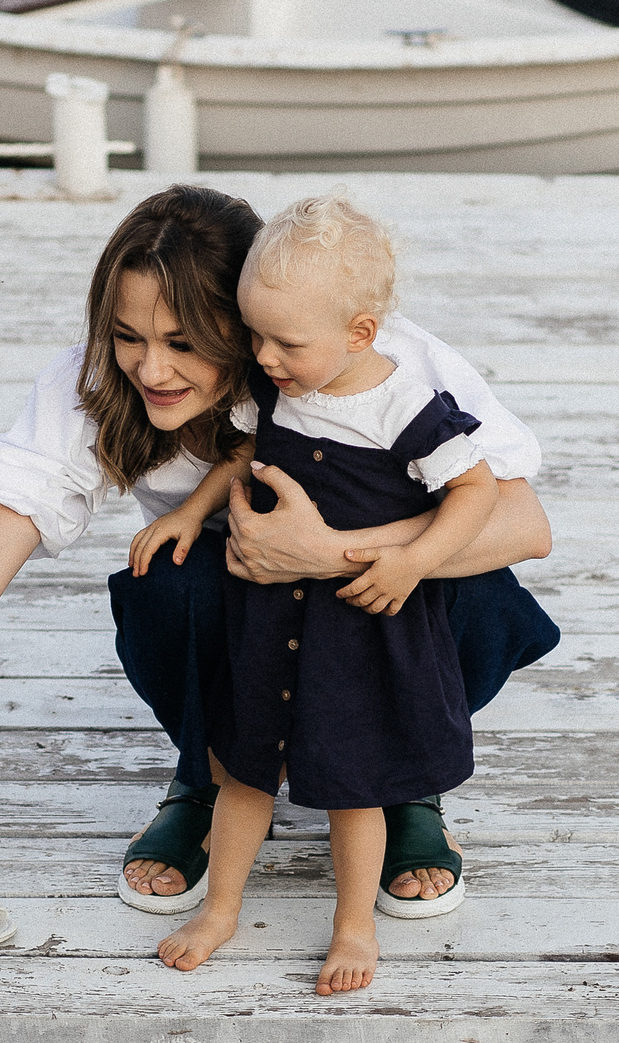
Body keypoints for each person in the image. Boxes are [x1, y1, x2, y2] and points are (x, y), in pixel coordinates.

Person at [0, 185, 560, 912]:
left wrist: (328, 551)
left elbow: (526, 525)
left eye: (184, 340)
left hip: (385, 600)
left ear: (243, 327)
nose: (151, 367)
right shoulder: (100, 386)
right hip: (255, 601)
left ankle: (411, 785)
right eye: (130, 334)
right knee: (166, 583)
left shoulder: (374, 362)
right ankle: (206, 776)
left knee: (479, 590)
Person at [152, 194, 498, 994]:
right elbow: (241, 456)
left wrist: (413, 561)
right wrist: (191, 512)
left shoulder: (402, 403)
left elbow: (474, 493)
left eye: (287, 342)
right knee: (244, 768)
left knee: (353, 784)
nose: (265, 356)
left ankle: (353, 925)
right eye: (255, 335)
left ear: (360, 333)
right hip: (270, 618)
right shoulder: (278, 390)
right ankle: (221, 908)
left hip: (360, 626)